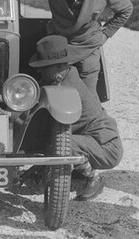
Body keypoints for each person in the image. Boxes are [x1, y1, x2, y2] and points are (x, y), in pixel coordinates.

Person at [16, 0, 133, 96]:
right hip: (58, 46)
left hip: (87, 45)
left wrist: (106, 34)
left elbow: (126, 9)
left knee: (88, 96)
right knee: (51, 91)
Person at [28, 35, 123, 201]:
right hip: (93, 141)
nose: (40, 71)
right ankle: (74, 175)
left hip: (107, 147)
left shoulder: (67, 86)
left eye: (44, 67)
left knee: (63, 144)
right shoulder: (65, 75)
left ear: (59, 66)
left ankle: (93, 179)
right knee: (59, 143)